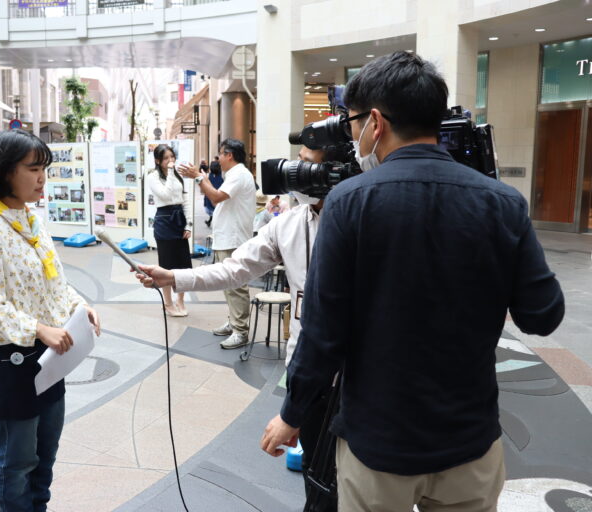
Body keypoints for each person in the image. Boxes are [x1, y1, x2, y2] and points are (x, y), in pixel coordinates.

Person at [260, 51, 565, 511]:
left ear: (375, 122)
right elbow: (542, 316)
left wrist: (292, 413)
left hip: (378, 443)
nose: (351, 136)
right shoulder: (502, 203)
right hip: (470, 441)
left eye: (351, 123)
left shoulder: (348, 202)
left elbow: (323, 333)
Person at [138, 145, 340, 510]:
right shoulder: (289, 224)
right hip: (305, 374)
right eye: (297, 163)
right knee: (315, 476)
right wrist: (174, 277)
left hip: (354, 383)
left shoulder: (361, 220)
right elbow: (236, 268)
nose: (296, 172)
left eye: (308, 165)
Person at [0, 128, 101, 512]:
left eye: (44, 169)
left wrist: (80, 306)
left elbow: (53, 280)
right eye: (33, 169)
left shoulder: (32, 220)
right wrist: (38, 328)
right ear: (6, 171)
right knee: (17, 460)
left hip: (48, 358)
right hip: (9, 361)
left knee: (46, 454)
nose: (42, 178)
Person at [178, 138, 255, 349]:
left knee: (236, 285)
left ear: (229, 155)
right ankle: (234, 322)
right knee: (229, 284)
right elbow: (216, 195)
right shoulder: (235, 174)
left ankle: (240, 331)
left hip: (233, 238)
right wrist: (202, 179)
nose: (218, 158)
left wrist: (197, 177)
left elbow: (216, 197)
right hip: (227, 238)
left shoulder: (239, 174)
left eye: (220, 154)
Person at [146, 144, 193, 317]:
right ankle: (168, 303)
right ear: (158, 161)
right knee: (166, 265)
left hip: (179, 219)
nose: (170, 160)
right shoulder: (152, 177)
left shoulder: (177, 175)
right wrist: (172, 172)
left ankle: (180, 300)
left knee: (183, 265)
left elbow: (185, 200)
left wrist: (188, 224)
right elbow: (165, 194)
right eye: (166, 158)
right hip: (164, 221)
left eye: (172, 157)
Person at [204, 159, 223, 227]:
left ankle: (211, 222)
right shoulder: (219, 175)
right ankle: (210, 222)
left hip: (214, 197)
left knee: (214, 212)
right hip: (215, 196)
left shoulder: (211, 175)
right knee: (214, 212)